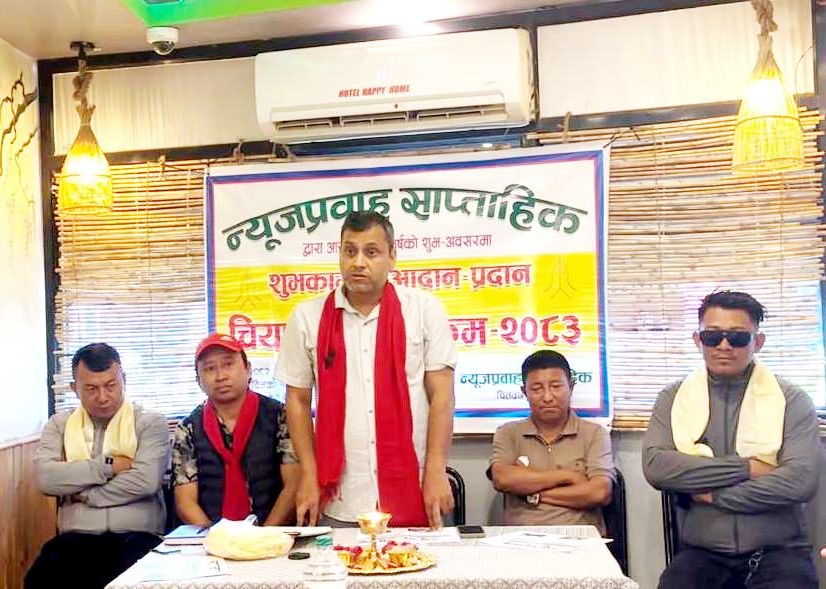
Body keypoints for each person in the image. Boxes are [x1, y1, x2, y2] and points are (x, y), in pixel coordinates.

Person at [275, 210, 458, 529]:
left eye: (371, 252)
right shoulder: (307, 317)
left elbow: (442, 395)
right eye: (350, 251)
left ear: (392, 257)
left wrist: (436, 469)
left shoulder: (424, 309)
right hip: (339, 500)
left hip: (416, 491)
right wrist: (308, 473)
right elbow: (298, 401)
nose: (358, 262)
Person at [643, 291, 821, 589]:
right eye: (712, 336)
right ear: (698, 340)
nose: (724, 346)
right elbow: (657, 467)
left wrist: (714, 496)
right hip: (703, 552)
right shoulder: (672, 398)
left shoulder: (791, 400)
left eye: (737, 337)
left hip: (779, 552)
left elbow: (800, 481)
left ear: (757, 342)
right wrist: (747, 468)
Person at [25, 343, 171, 589]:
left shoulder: (149, 423)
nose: (103, 397)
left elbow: (145, 481)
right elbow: (46, 478)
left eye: (110, 386)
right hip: (75, 541)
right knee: (39, 579)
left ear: (124, 380)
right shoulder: (59, 425)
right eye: (91, 388)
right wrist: (107, 466)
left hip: (137, 539)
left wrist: (85, 494)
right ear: (74, 388)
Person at [172, 334, 300, 526]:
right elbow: (185, 502)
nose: (221, 376)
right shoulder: (187, 429)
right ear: (198, 380)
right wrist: (218, 538)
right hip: (211, 536)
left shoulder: (280, 416)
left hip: (275, 532)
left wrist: (264, 535)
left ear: (248, 369)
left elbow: (294, 484)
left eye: (228, 364)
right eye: (209, 369)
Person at [489, 350, 615, 534]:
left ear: (571, 387)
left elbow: (600, 492)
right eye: (537, 389)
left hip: (580, 539)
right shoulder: (508, 433)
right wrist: (567, 476)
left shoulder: (594, 434)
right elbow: (502, 479)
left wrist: (532, 494)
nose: (547, 397)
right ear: (524, 392)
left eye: (556, 386)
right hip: (520, 538)